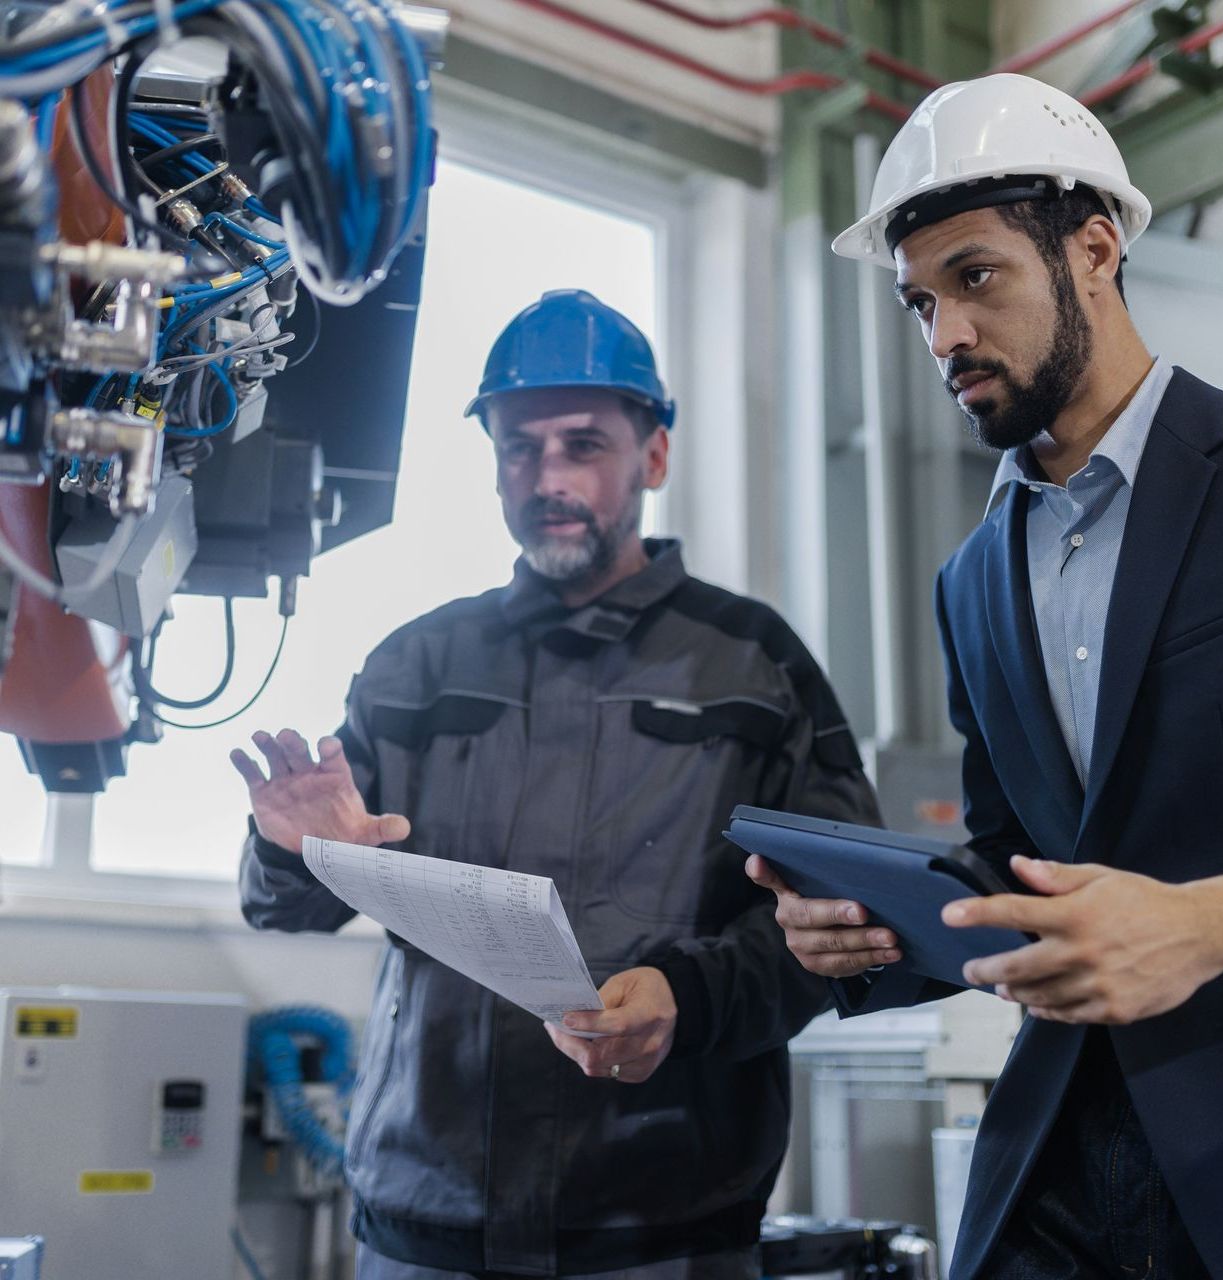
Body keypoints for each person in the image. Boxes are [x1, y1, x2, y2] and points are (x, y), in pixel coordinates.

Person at [748, 74, 1223, 1280]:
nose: (943, 337)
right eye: (916, 301)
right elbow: (1010, 860)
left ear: (1092, 249)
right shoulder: (971, 579)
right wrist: (871, 932)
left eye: (974, 278)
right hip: (1057, 1159)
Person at [234, 289, 881, 1280]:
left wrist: (689, 996)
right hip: (425, 1220)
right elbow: (289, 907)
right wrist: (297, 853)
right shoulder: (415, 665)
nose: (546, 476)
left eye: (582, 443)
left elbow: (847, 923)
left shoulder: (753, 665)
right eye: (517, 449)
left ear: (651, 456)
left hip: (665, 1222)